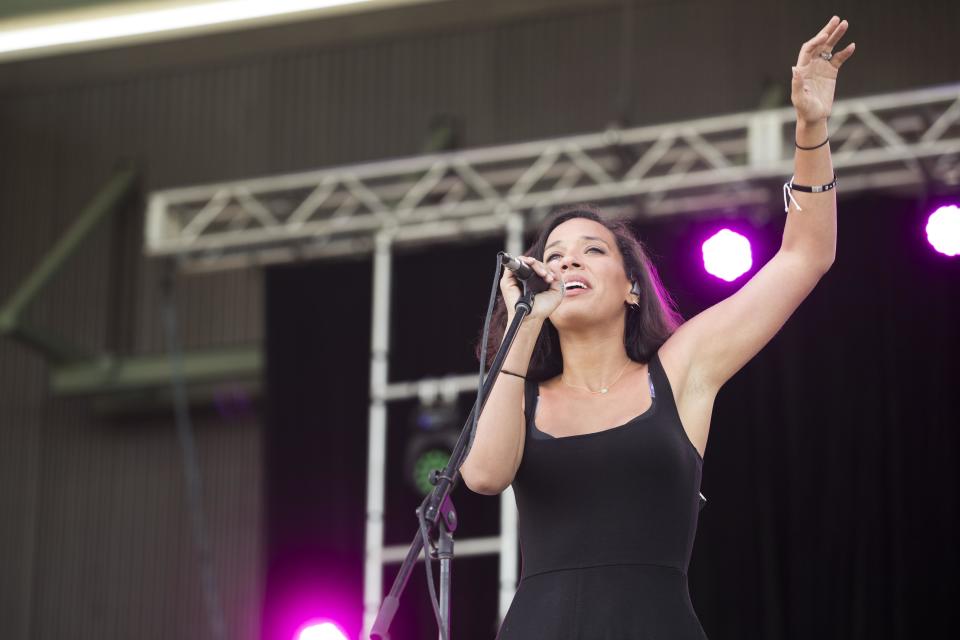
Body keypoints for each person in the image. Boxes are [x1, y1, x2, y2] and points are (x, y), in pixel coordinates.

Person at [459, 15, 855, 640]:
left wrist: (811, 129)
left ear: (631, 286)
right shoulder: (520, 390)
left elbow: (807, 256)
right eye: (555, 253)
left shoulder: (680, 371)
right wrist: (524, 325)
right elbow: (481, 475)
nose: (567, 261)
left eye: (591, 251)